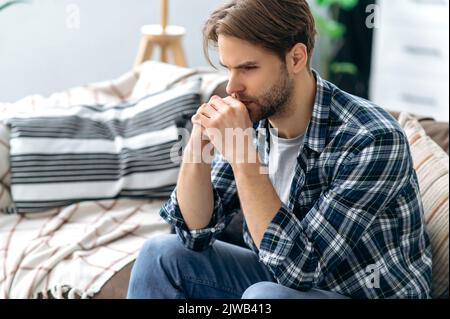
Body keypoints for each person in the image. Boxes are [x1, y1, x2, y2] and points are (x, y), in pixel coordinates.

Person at [127, 0, 432, 299]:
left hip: (355, 291)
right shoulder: (256, 120)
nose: (232, 86)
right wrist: (198, 147)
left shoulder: (373, 139)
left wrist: (244, 157)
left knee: (266, 296)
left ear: (296, 58)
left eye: (248, 68)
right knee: (160, 255)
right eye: (228, 69)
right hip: (279, 279)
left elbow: (301, 270)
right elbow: (195, 234)